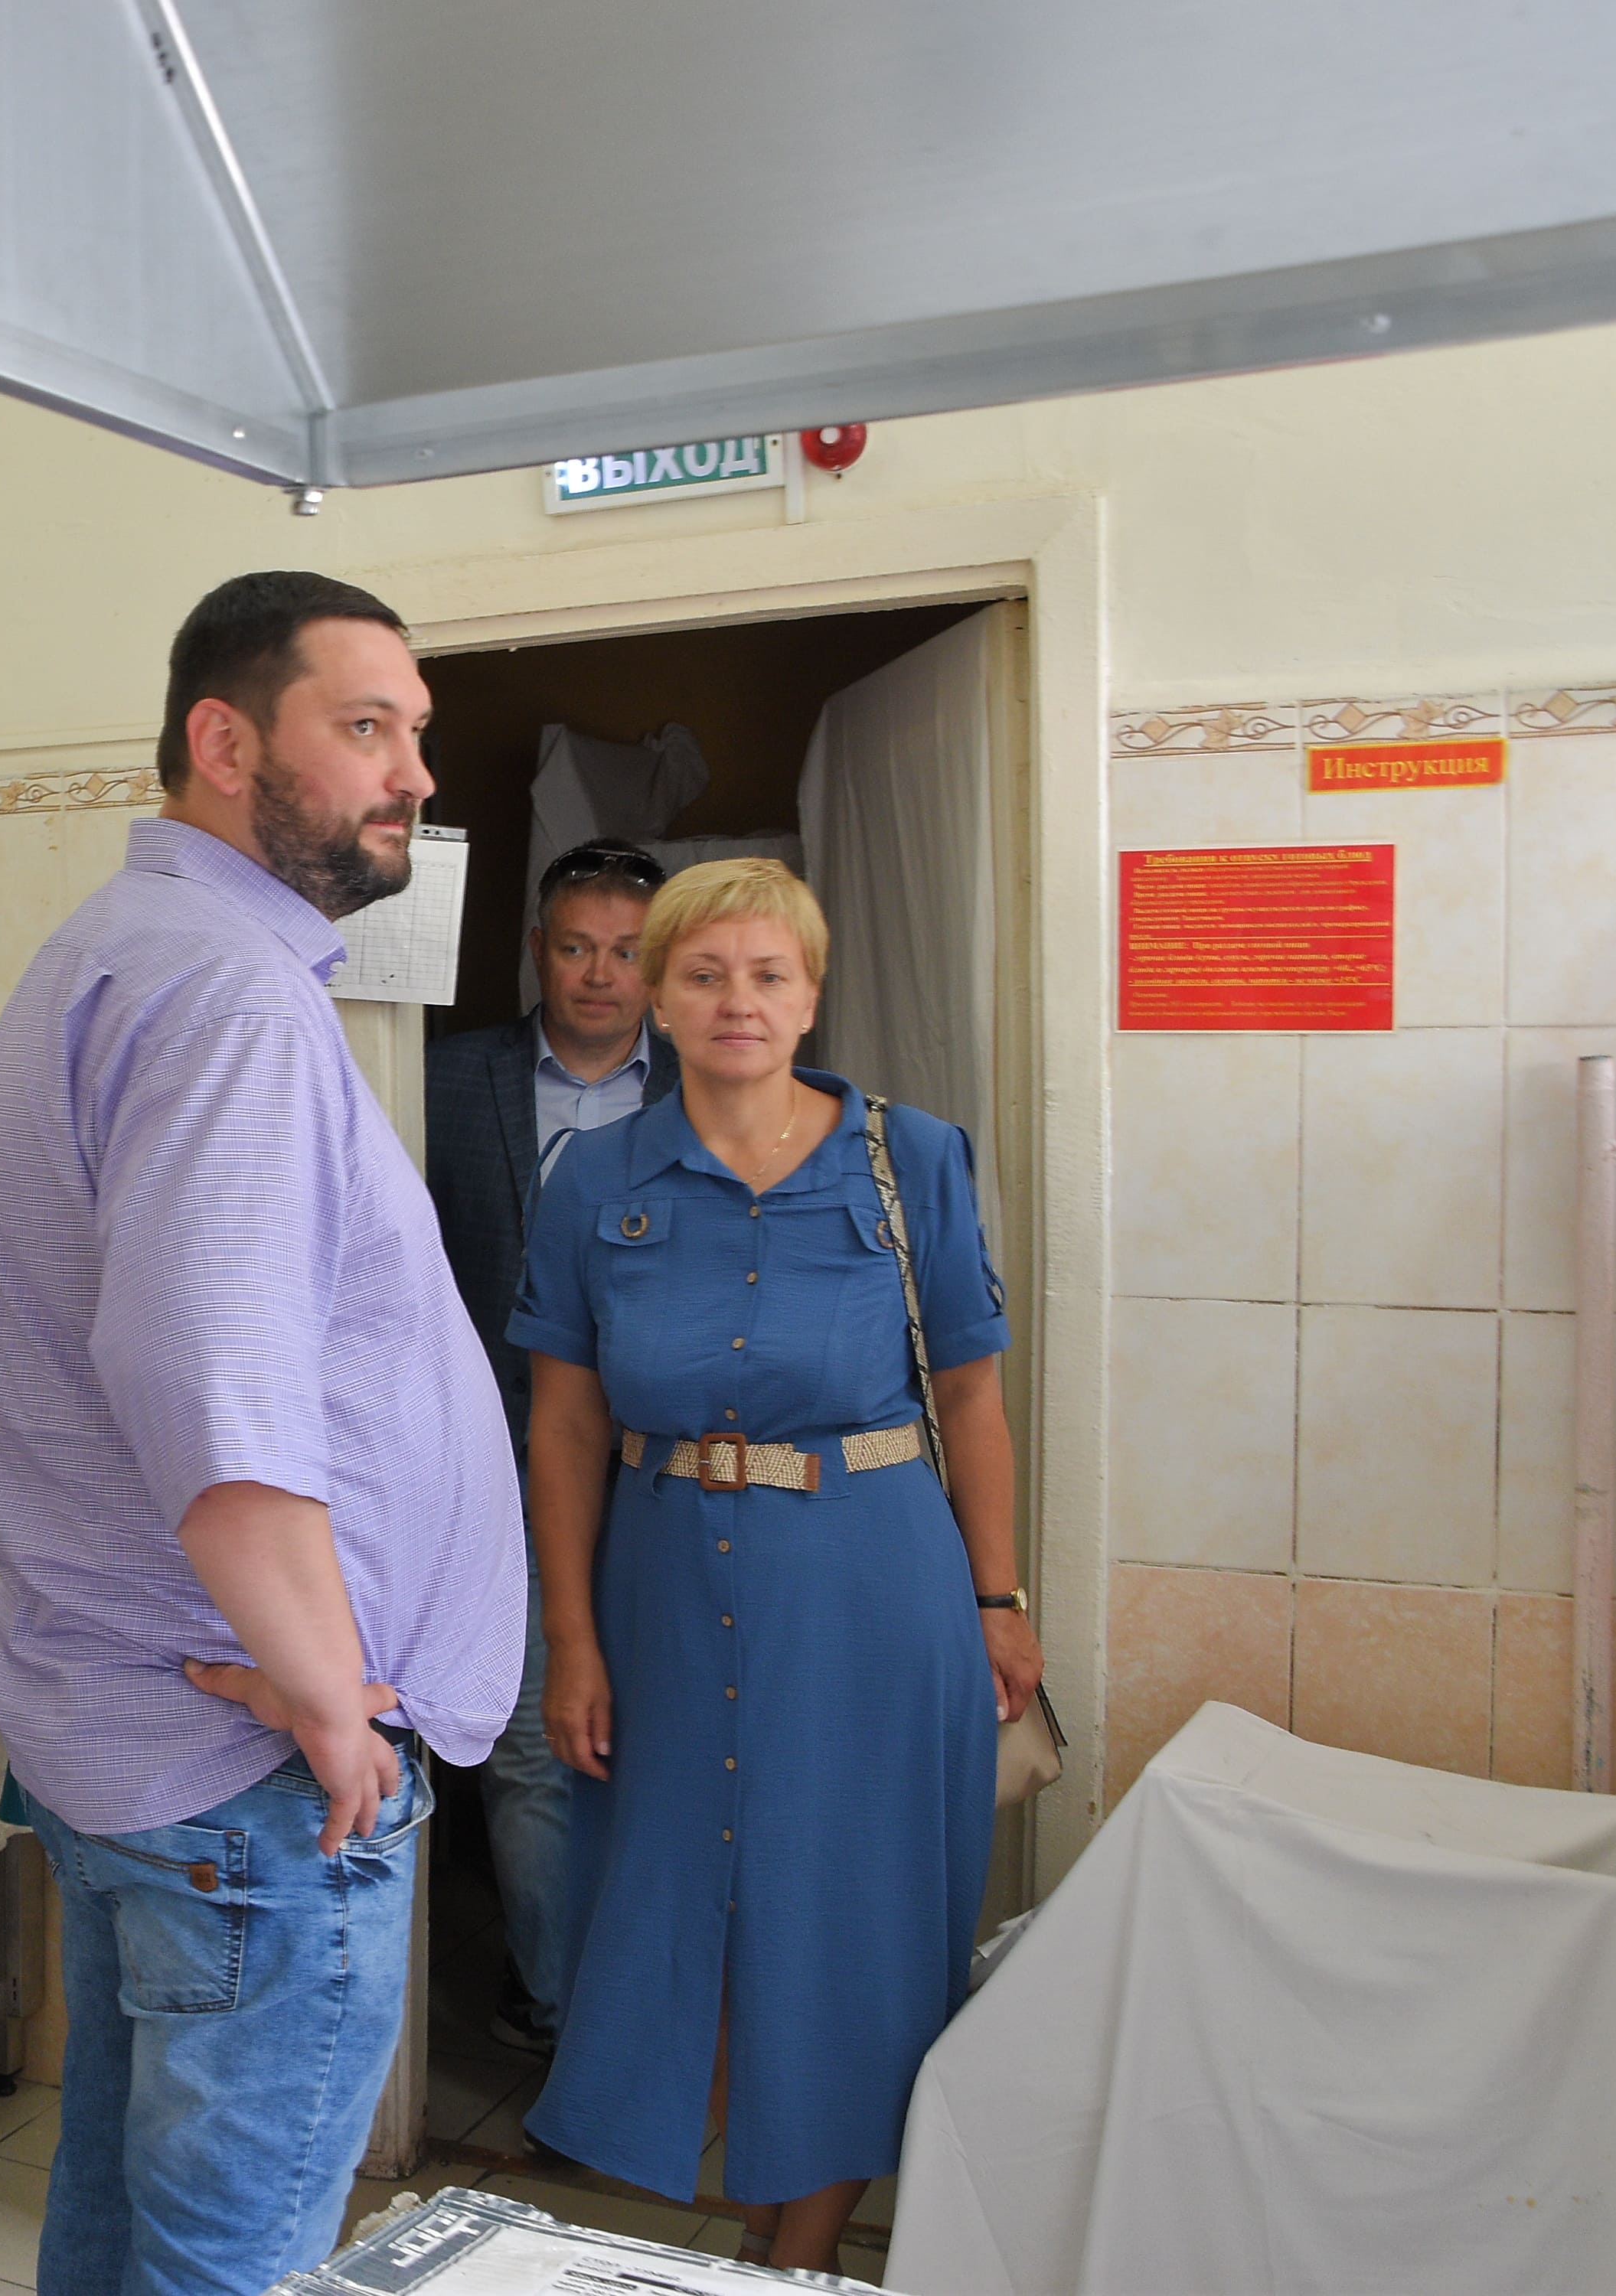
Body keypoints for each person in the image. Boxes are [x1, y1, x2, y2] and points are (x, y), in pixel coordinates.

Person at [0, 570, 524, 2296]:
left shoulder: (128, 949)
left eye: (414, 732)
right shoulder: (226, 994)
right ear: (223, 743)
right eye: (364, 728)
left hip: (148, 1735)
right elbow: (210, 1388)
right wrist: (333, 1700)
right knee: (232, 2267)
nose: (414, 774)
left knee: (121, 2227)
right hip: (252, 1769)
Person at [506, 858, 1040, 2274]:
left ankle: (791, 2257)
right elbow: (565, 1425)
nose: (736, 1001)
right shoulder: (596, 1177)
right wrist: (572, 1638)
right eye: (704, 975)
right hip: (664, 1592)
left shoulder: (912, 1159)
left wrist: (997, 1600)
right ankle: (753, 2226)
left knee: (854, 1920)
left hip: (874, 1590)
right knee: (687, 1905)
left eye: (768, 975)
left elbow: (972, 1398)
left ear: (810, 997)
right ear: (658, 997)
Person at [423, 837, 675, 2055]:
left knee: (666, 1737)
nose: (600, 975)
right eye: (576, 947)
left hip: (671, 1472)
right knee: (528, 1742)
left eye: (627, 952)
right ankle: (565, 2016)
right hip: (495, 1468)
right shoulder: (438, 1078)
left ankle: (662, 2003)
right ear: (537, 952)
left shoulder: (713, 1085)